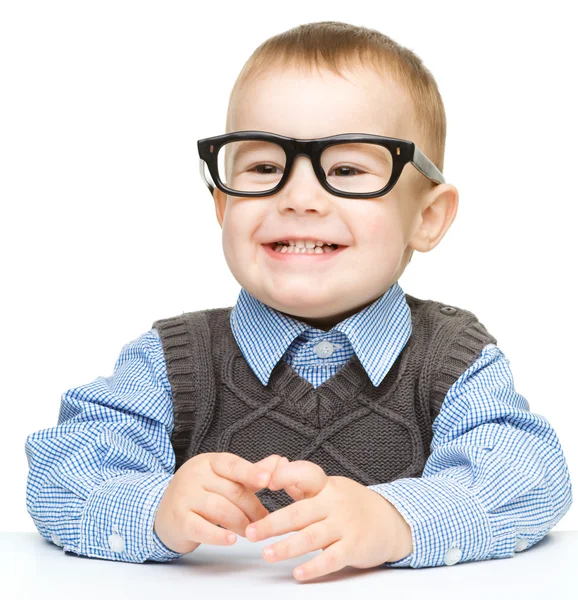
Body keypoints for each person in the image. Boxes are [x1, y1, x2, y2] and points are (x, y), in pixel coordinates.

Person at [25, 20, 572, 582]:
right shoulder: (171, 361)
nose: (300, 198)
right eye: (264, 167)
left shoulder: (452, 358)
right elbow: (61, 470)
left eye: (346, 169)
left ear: (427, 217)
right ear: (221, 204)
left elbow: (530, 475)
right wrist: (156, 510)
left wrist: (396, 519)